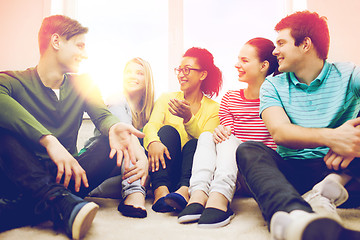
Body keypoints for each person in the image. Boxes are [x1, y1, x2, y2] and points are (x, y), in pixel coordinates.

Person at [0, 15, 144, 239]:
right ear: (56, 42)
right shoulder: (13, 81)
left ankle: (44, 201)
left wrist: (114, 127)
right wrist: (49, 140)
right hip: (22, 172)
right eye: (79, 45)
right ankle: (59, 201)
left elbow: (103, 116)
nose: (85, 54)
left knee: (110, 144)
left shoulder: (84, 83)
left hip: (67, 175)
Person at [235, 11, 360, 240]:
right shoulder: (272, 85)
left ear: (305, 45)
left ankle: (329, 189)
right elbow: (280, 132)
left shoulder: (350, 74)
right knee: (247, 150)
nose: (275, 51)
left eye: (281, 43)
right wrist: (333, 137)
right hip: (293, 173)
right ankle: (297, 216)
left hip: (344, 169)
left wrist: (355, 138)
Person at [177, 38, 278, 228]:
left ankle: (220, 199)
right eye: (238, 59)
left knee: (228, 140)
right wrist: (220, 132)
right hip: (231, 171)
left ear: (264, 65)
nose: (237, 65)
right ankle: (198, 194)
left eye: (245, 61)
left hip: (257, 173)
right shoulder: (230, 98)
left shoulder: (276, 99)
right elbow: (226, 135)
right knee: (209, 135)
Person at [143, 47, 223, 213]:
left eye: (187, 70)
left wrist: (188, 119)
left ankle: (184, 192)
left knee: (196, 143)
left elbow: (207, 142)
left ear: (202, 74)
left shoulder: (214, 108)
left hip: (191, 174)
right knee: (167, 132)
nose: (181, 74)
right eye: (179, 70)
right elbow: (151, 125)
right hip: (165, 165)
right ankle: (160, 191)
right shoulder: (167, 98)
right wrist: (153, 142)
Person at [82, 57, 154, 218]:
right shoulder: (116, 99)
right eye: (128, 72)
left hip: (122, 171)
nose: (132, 76)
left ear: (147, 79)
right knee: (127, 140)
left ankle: (95, 189)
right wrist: (143, 160)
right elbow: (125, 133)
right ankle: (134, 192)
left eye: (139, 73)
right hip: (101, 161)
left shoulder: (151, 111)